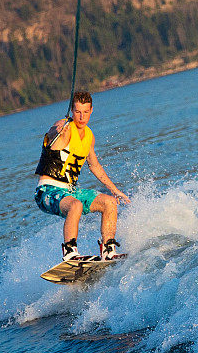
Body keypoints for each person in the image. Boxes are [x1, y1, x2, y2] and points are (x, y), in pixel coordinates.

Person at [34, 91, 130, 261]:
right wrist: (57, 128)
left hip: (70, 191)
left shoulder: (89, 136)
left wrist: (115, 190)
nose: (81, 116)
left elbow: (94, 166)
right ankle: (70, 252)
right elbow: (51, 133)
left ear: (91, 110)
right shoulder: (63, 128)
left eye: (85, 112)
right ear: (72, 110)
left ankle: (108, 251)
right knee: (76, 205)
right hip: (47, 191)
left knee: (109, 202)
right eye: (77, 112)